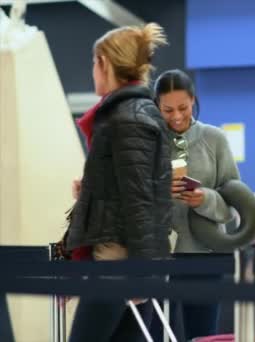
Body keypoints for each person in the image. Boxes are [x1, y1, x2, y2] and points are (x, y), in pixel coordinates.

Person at [66, 23, 172, 342]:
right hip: (129, 259)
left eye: (93, 62)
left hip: (119, 263)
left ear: (105, 63)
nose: (92, 71)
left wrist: (141, 272)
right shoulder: (133, 113)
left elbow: (140, 199)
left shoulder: (126, 117)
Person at [153, 69, 240, 340]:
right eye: (167, 110)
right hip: (157, 255)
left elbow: (233, 203)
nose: (177, 116)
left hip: (204, 255)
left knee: (202, 334)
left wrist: (206, 199)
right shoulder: (147, 142)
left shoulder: (215, 139)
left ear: (194, 100)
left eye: (183, 107)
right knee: (154, 332)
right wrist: (160, 191)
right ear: (156, 106)